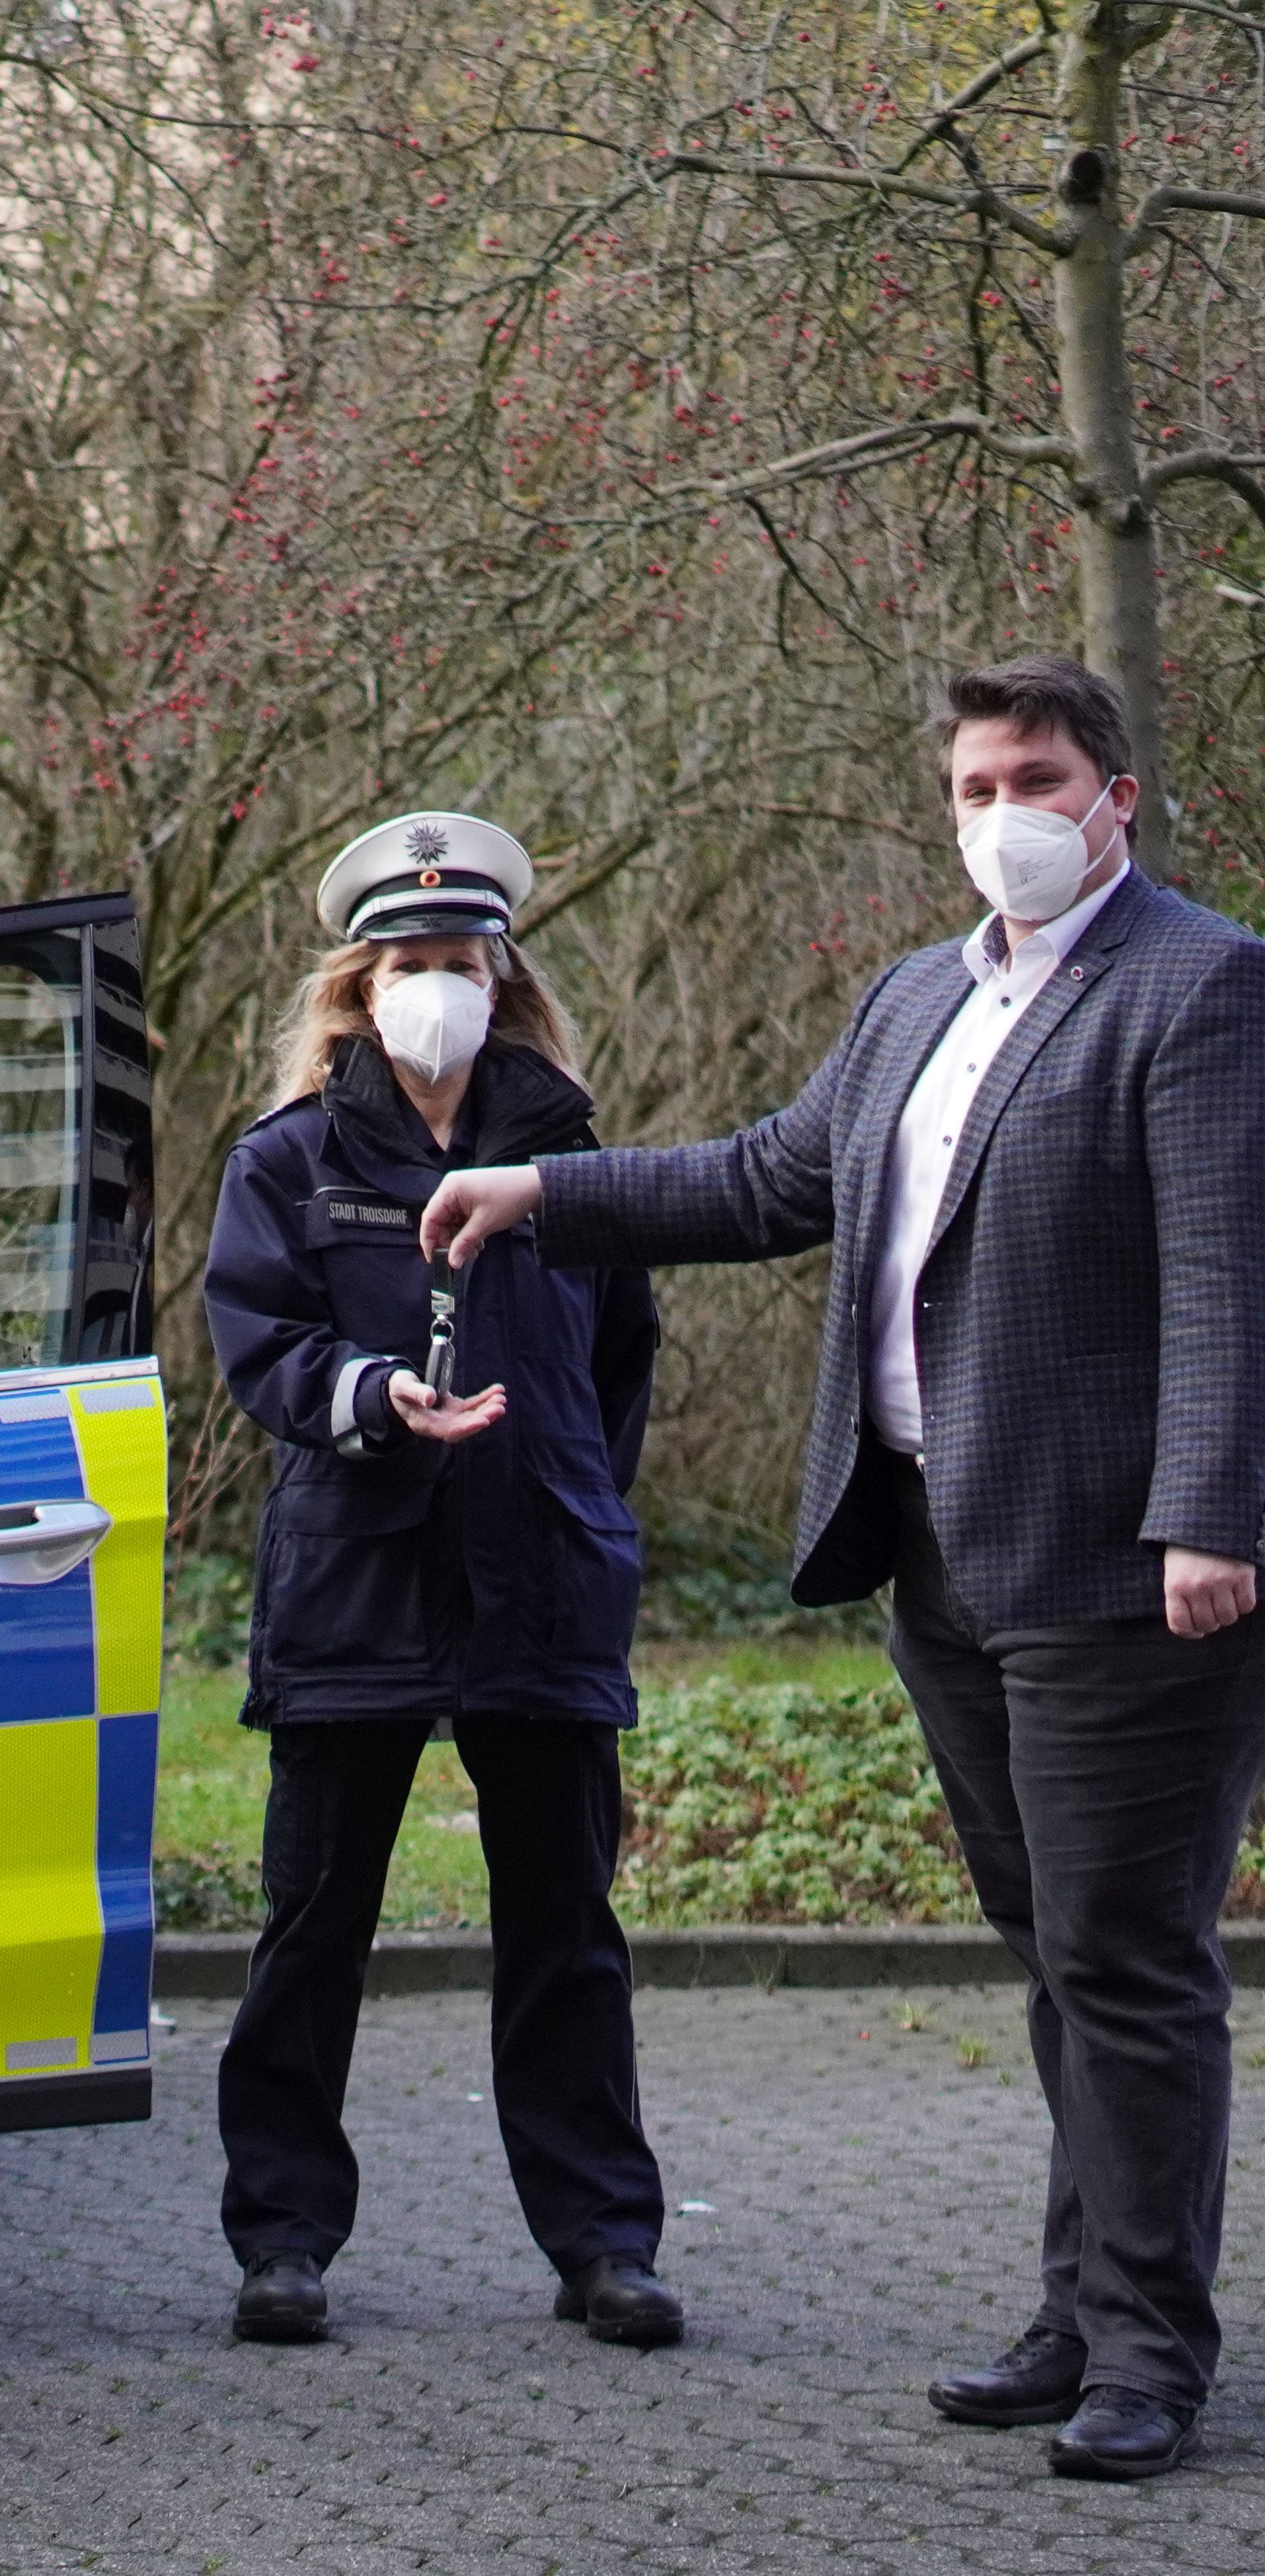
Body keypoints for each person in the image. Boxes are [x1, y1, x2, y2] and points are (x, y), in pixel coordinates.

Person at [424, 657, 1265, 2482]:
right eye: (969, 787)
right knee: (1049, 1954)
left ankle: (1146, 2354)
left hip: (1119, 1562)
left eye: (1030, 778)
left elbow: (1222, 1265)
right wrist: (541, 1196)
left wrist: (1212, 1511)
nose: (997, 818)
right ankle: (1075, 2309)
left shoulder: (1196, 986)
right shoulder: (913, 999)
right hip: (935, 1549)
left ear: (1111, 796)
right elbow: (764, 1179)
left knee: (1124, 1963)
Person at [203, 812, 678, 2353]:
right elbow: (258, 1347)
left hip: (536, 1581)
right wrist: (368, 1402)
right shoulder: (287, 1158)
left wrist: (565, 1497)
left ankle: (603, 2244)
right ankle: (281, 2241)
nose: (435, 986)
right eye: (407, 962)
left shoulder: (574, 1159)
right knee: (312, 1919)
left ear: (501, 977)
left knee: (564, 1923)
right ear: (358, 984)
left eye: (459, 962)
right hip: (356, 1577)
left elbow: (619, 1363)